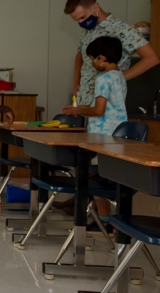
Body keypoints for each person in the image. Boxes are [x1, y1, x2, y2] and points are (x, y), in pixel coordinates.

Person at [62, 35, 127, 222]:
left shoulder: (103, 79)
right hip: (117, 135)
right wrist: (79, 109)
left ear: (101, 58)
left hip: (101, 136)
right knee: (104, 176)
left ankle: (104, 220)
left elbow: (99, 110)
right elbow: (110, 106)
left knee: (93, 177)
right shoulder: (120, 77)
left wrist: (79, 111)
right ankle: (104, 220)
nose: (92, 63)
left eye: (92, 59)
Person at [65, 0, 159, 108]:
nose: (80, 23)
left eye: (82, 17)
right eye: (77, 20)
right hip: (84, 99)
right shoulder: (87, 31)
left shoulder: (123, 29)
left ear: (96, 8)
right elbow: (80, 54)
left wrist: (119, 78)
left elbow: (152, 58)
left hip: (107, 101)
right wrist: (75, 82)